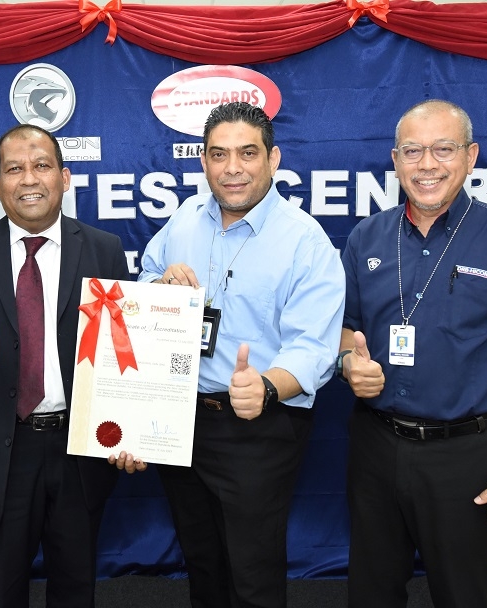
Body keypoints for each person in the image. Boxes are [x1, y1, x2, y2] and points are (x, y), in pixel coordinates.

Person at [337, 99, 487, 607]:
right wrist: (347, 363)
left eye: (443, 149)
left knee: (464, 596)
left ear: (471, 157)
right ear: (395, 160)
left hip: (465, 457)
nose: (427, 165)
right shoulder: (366, 237)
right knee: (370, 593)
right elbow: (345, 330)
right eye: (413, 151)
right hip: (375, 447)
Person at [0, 124, 144, 608]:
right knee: (1, 592)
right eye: (14, 169)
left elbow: (122, 354)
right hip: (1, 453)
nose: (29, 179)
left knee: (76, 589)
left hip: (79, 451)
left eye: (41, 166)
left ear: (64, 177)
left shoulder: (103, 249)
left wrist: (132, 432)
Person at [136, 101, 345, 607]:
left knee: (252, 571)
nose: (233, 168)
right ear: (203, 162)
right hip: (183, 419)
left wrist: (269, 386)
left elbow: (314, 346)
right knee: (202, 560)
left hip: (259, 425)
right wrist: (161, 284)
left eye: (248, 153)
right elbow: (143, 282)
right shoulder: (185, 218)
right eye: (219, 154)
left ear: (273, 159)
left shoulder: (305, 240)